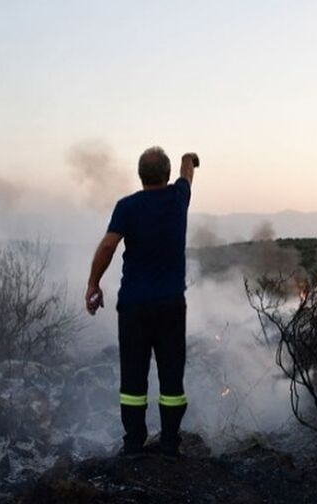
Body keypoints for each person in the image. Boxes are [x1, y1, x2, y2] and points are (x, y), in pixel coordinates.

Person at [85, 146, 198, 461]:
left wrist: (93, 284)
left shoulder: (127, 206)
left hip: (133, 307)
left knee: (133, 378)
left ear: (140, 175)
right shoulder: (178, 198)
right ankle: (169, 444)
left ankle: (133, 444)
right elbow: (187, 171)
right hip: (171, 306)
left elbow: (108, 245)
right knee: (171, 377)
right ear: (166, 175)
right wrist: (190, 158)